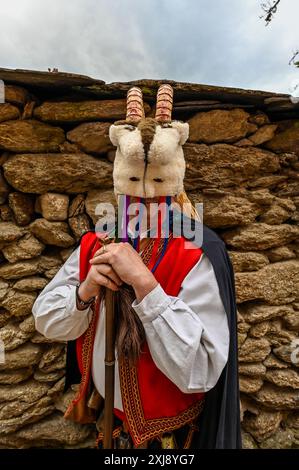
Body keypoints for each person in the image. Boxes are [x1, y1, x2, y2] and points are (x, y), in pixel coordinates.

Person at [32, 84, 241, 449]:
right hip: (108, 428)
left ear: (173, 189)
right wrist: (84, 292)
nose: (141, 207)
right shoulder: (96, 243)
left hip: (171, 440)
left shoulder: (198, 251)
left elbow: (202, 369)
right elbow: (46, 319)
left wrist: (146, 285)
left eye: (155, 197)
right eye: (131, 197)